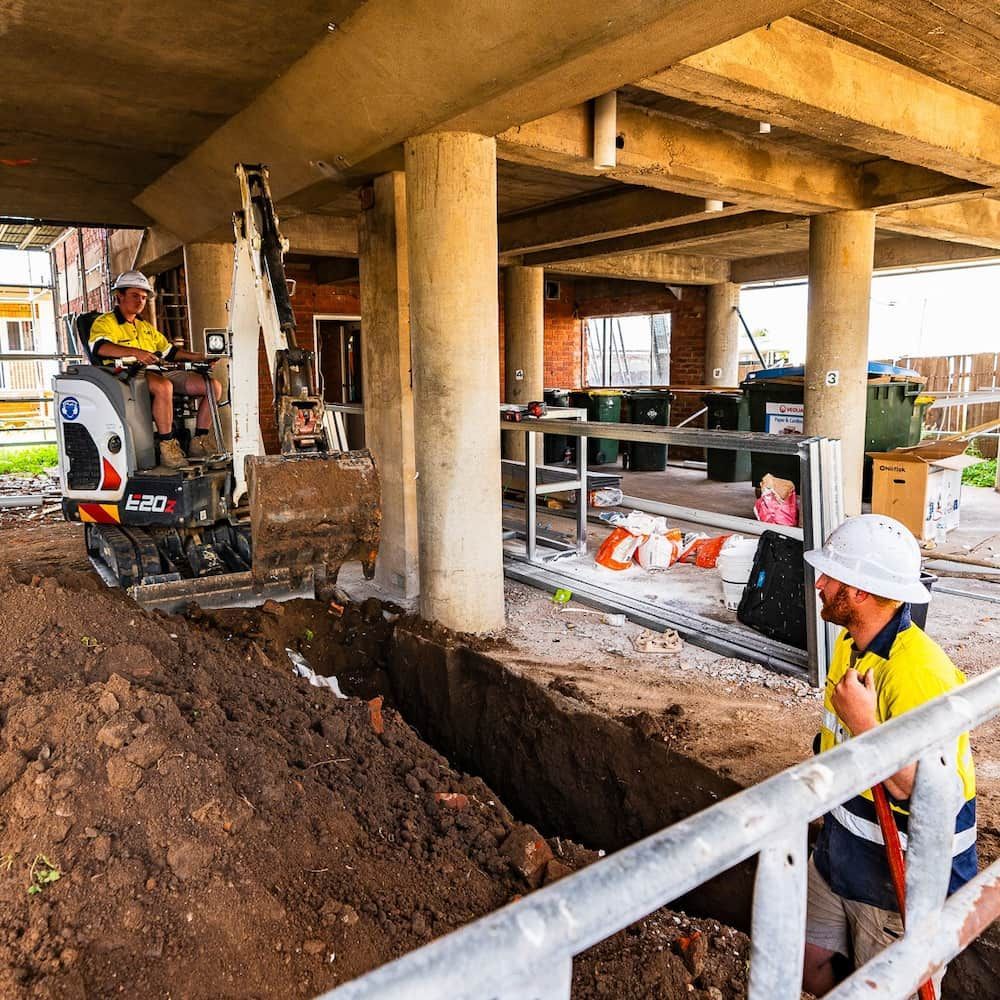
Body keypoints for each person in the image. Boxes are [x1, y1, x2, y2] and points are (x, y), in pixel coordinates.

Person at [801, 514, 976, 997]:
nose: (818, 582)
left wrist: (865, 724)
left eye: (830, 575)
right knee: (806, 964)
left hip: (901, 879)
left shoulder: (919, 672)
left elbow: (923, 793)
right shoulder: (849, 643)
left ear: (858, 590)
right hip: (843, 851)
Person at [88, 271, 223, 470]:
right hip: (129, 376)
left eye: (143, 297)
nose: (140, 301)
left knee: (213, 386)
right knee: (164, 386)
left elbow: (169, 352)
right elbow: (99, 348)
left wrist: (199, 357)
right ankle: (167, 446)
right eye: (135, 295)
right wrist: (136, 352)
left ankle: (199, 441)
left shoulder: (145, 327)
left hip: (157, 372)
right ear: (120, 296)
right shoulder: (105, 323)